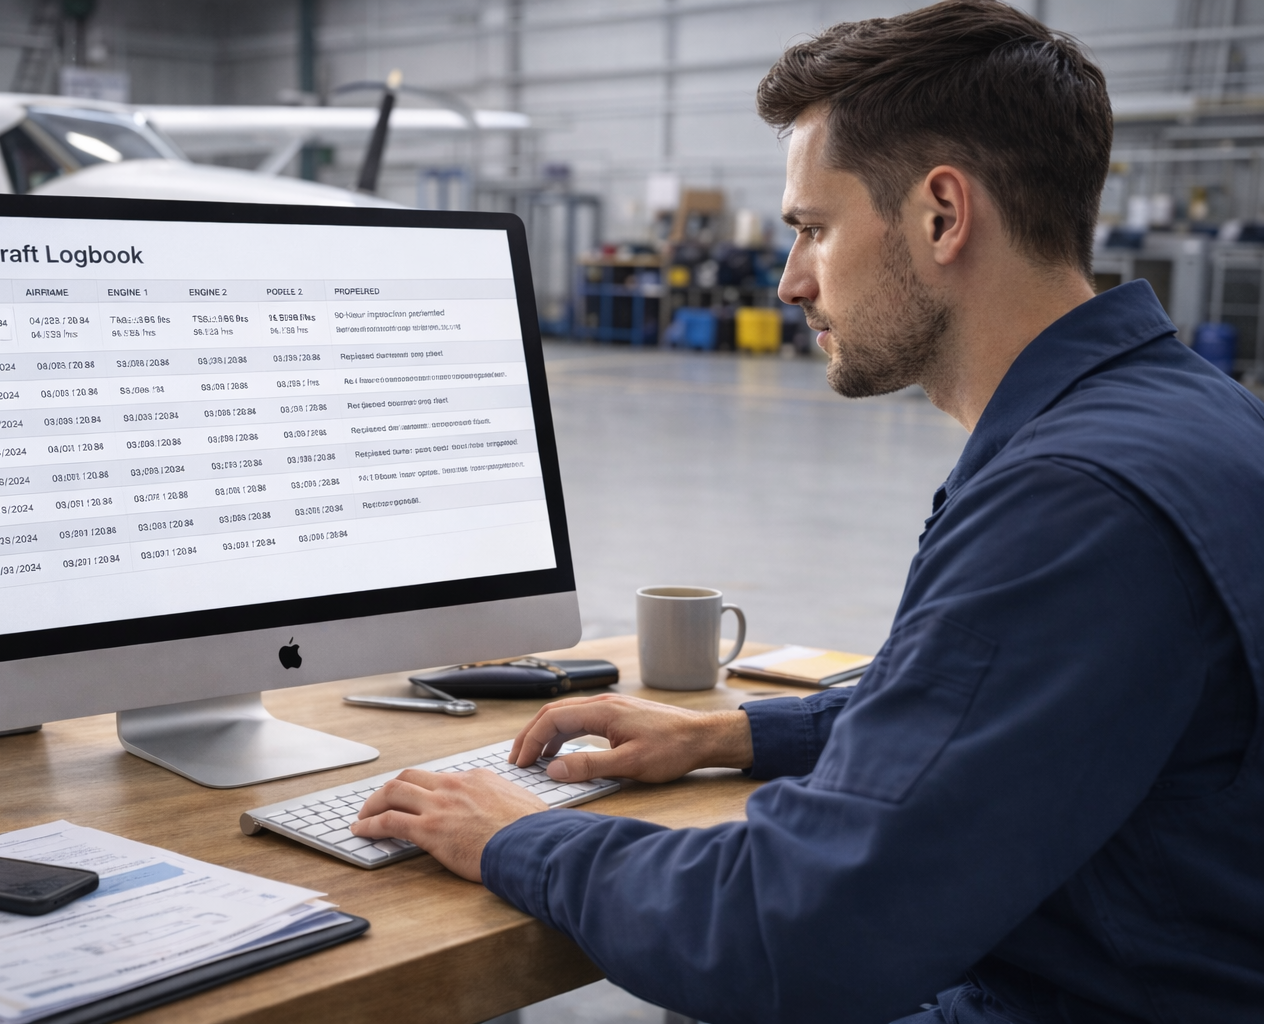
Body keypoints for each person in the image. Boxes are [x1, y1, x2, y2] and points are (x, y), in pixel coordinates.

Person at [352, 2, 1264, 1020]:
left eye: (813, 229)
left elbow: (796, 934)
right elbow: (989, 713)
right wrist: (734, 737)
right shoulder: (1183, 417)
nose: (790, 282)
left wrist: (517, 833)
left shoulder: (1074, 504)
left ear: (941, 215)